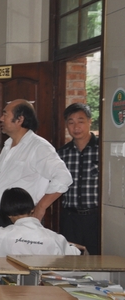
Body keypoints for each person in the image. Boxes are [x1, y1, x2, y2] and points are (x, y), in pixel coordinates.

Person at [0, 99, 72, 227]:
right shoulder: (8, 145)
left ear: (19, 119)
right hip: (0, 218)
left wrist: (41, 207)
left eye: (5, 114)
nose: (1, 118)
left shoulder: (38, 146)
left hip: (22, 220)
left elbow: (63, 177)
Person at [0, 187, 82, 257]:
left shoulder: (1, 235)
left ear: (8, 214)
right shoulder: (54, 238)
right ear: (32, 209)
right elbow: (75, 254)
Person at [58, 103, 100, 255]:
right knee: (71, 260)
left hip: (97, 217)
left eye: (80, 121)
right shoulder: (61, 154)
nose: (76, 127)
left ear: (89, 121)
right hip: (70, 218)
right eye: (71, 122)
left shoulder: (102, 149)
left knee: (99, 259)